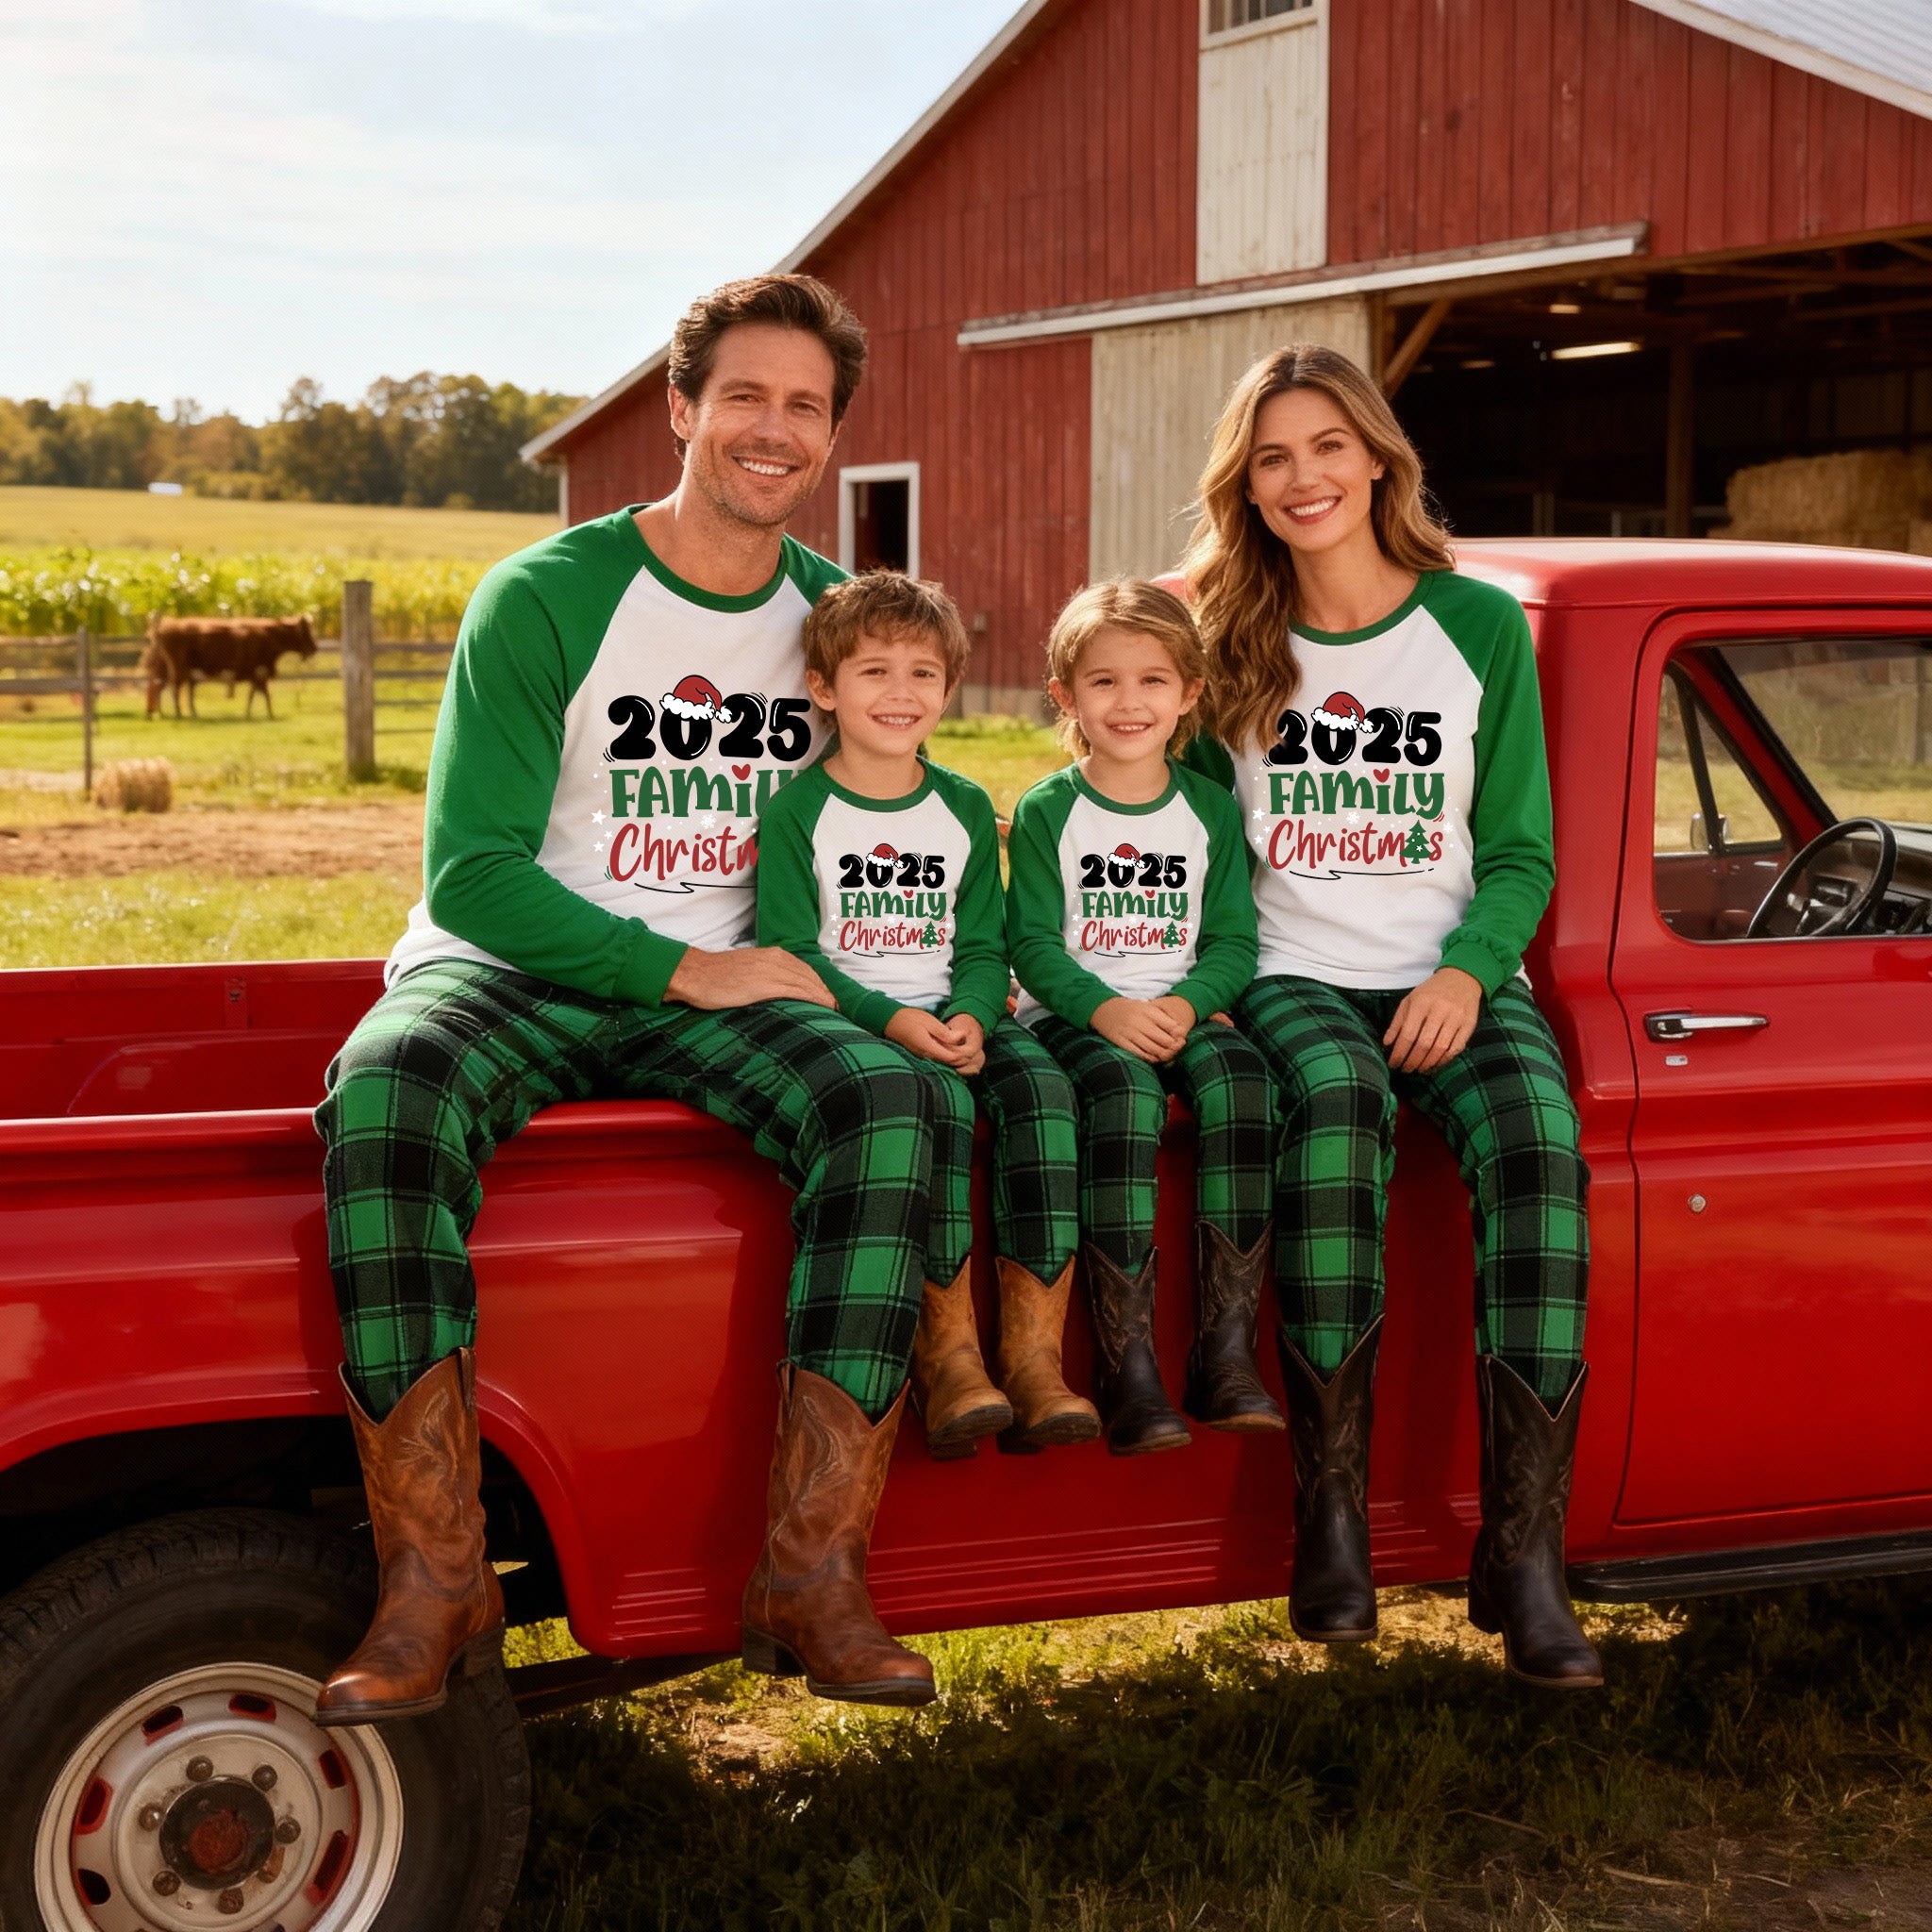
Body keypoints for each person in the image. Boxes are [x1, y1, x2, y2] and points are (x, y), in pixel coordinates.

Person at [311, 274, 942, 1724]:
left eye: (806, 406)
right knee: (390, 1094)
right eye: (745, 397)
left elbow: (890, 815)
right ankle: (435, 1579)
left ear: (834, 432)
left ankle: (811, 1572)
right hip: (524, 964)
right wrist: (676, 963)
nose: (774, 430)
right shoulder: (549, 596)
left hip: (728, 979)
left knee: (892, 1102)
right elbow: (473, 874)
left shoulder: (831, 622)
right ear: (680, 409)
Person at [1175, 343, 1600, 1689]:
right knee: (1338, 1107)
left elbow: (1522, 846)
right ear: (1246, 482)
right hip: (1289, 972)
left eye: (1325, 447)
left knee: (1539, 1147)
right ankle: (1333, 1521)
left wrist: (1470, 971)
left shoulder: (1471, 627)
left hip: (1454, 975)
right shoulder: (1222, 635)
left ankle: (1523, 1552)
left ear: (1377, 458)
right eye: (1272, 456)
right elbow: (1177, 839)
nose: (1303, 478)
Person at [756, 571, 1100, 1458]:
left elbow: (985, 944)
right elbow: (794, 953)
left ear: (949, 688)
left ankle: (1034, 1363)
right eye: (873, 672)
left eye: (922, 673)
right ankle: (948, 1359)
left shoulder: (960, 808)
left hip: (964, 1014)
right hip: (858, 1022)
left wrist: (978, 1014)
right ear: (824, 689)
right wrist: (896, 1022)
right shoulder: (800, 812)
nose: (900, 693)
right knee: (939, 1105)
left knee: (1048, 1095)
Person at [1007, 581, 1281, 1455]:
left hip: (1180, 1006)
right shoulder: (1054, 808)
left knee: (1243, 1082)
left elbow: (1235, 939)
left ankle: (1225, 1352)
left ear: (1191, 693)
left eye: (1154, 682)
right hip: (1077, 1017)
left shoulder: (1206, 809)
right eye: (1104, 683)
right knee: (1123, 1098)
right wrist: (1106, 1010)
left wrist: (1188, 1003)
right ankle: (1129, 1370)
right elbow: (1033, 945)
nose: (1130, 704)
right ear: (1066, 696)